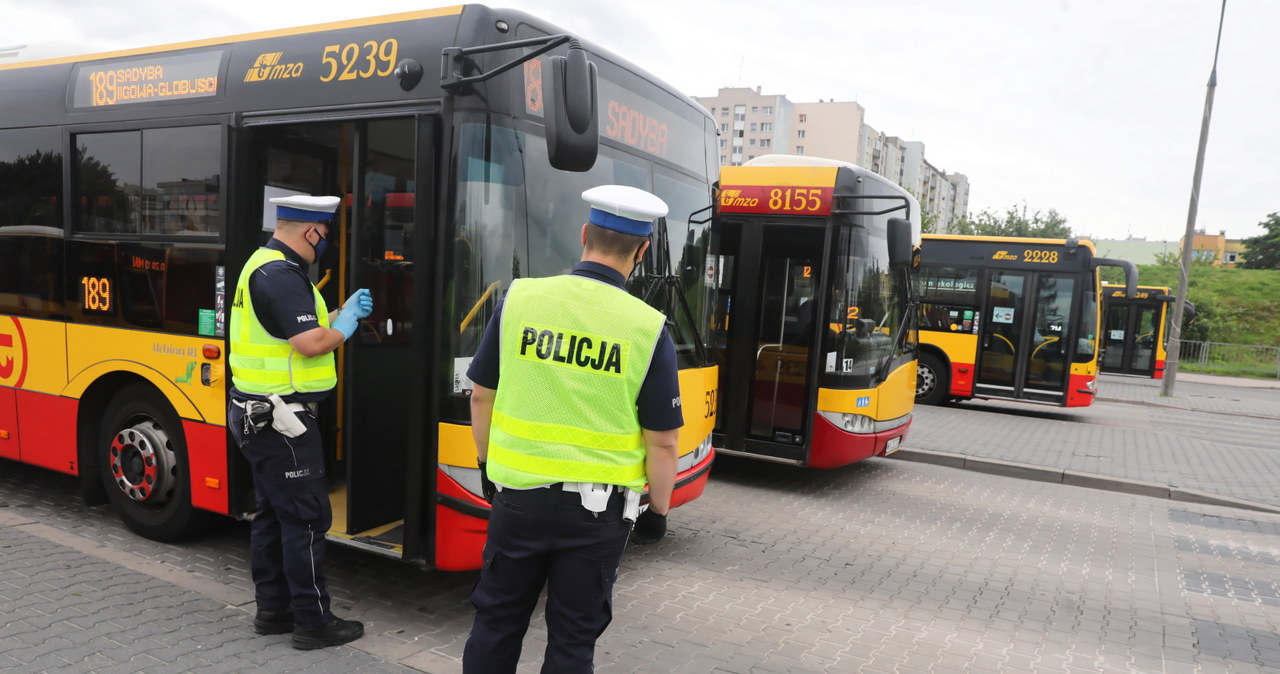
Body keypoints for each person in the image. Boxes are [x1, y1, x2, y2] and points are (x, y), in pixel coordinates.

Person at [462, 185, 683, 673]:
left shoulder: (520, 299)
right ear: (642, 252)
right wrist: (659, 513)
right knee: (572, 638)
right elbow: (662, 441)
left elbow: (481, 395)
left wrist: (485, 465)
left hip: (516, 497)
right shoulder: (649, 328)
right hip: (598, 516)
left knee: (497, 621)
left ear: (584, 235)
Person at [226, 194, 373, 650]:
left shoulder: (262, 264)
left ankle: (273, 610)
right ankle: (313, 622)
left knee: (273, 513)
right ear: (311, 231)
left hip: (261, 414)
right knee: (306, 519)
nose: (324, 243)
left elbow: (288, 332)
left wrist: (334, 314)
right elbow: (310, 343)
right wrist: (344, 325)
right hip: (282, 420)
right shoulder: (282, 275)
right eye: (325, 235)